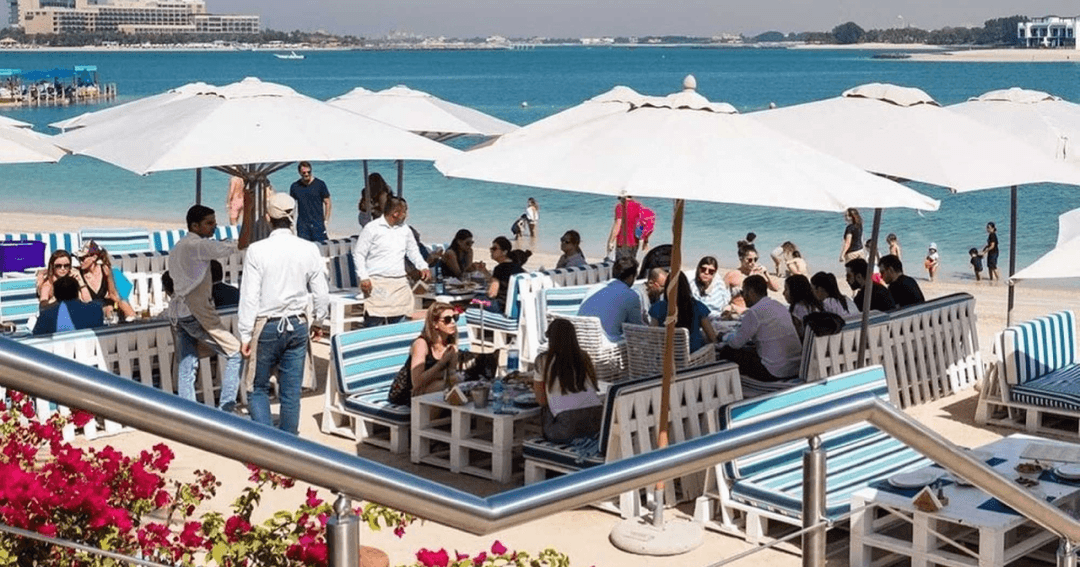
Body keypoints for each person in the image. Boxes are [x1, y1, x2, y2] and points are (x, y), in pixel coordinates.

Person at [239, 192, 329, 435]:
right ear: (293, 217)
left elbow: (249, 296)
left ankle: (266, 442)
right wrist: (319, 319)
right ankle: (288, 441)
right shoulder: (309, 249)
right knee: (291, 391)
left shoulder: (257, 250)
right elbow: (321, 292)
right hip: (297, 323)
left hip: (267, 323)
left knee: (257, 387)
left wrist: (245, 333)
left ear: (268, 218)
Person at [169, 203, 251, 412]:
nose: (214, 226)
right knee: (235, 353)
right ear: (195, 226)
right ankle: (227, 407)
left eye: (214, 222)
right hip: (196, 312)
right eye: (209, 223)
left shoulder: (178, 246)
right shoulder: (199, 246)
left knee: (188, 362)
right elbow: (241, 244)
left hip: (179, 312)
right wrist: (249, 208)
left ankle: (187, 409)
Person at [353, 196, 429, 327]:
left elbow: (413, 251)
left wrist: (422, 266)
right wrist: (364, 276)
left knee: (400, 321)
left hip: (399, 282)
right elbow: (359, 254)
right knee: (374, 320)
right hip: (377, 282)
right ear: (396, 213)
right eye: (405, 211)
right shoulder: (372, 228)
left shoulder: (405, 230)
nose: (406, 215)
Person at [718, 275, 802, 381]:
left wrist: (723, 337)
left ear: (751, 292)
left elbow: (736, 343)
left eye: (744, 292)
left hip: (774, 371)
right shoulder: (779, 305)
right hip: (795, 367)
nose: (742, 297)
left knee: (727, 351)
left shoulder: (754, 312)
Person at [533, 318, 603, 442]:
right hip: (596, 422)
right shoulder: (584, 357)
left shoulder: (543, 360)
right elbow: (594, 385)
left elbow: (541, 400)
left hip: (566, 428)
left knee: (546, 412)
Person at [387, 302, 459, 406]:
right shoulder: (421, 344)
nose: (453, 322)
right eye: (447, 319)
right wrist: (442, 363)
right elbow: (416, 382)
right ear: (435, 324)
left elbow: (451, 375)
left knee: (457, 385)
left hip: (429, 388)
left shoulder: (449, 344)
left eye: (455, 318)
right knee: (441, 387)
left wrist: (452, 362)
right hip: (407, 392)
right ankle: (427, 422)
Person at [576, 256, 642, 342]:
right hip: (606, 344)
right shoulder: (630, 295)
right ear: (631, 277)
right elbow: (636, 330)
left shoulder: (596, 288)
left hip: (581, 340)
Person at [649, 272, 716, 353]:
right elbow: (712, 338)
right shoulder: (697, 306)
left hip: (666, 358)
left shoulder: (658, 308)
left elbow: (652, 337)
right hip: (693, 358)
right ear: (686, 287)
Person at [73, 241, 136, 322]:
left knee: (115, 305)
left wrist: (109, 277)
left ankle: (136, 322)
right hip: (89, 310)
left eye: (82, 258)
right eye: (78, 258)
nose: (80, 261)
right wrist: (80, 280)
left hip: (108, 307)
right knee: (108, 309)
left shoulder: (106, 270)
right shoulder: (78, 274)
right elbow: (86, 302)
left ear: (94, 257)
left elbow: (113, 295)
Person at [32, 276, 104, 335]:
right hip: (92, 349)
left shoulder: (47, 315)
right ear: (77, 292)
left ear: (56, 295)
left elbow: (36, 335)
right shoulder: (96, 309)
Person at [723, 245, 778, 315]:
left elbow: (775, 288)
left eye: (755, 259)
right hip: (738, 311)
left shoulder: (758, 273)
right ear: (741, 259)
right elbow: (721, 294)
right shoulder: (732, 275)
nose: (753, 262)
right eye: (749, 260)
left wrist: (766, 273)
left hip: (756, 311)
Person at [475, 236, 524, 313]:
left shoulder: (499, 268)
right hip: (513, 306)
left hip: (499, 306)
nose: (491, 250)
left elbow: (492, 294)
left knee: (474, 299)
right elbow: (500, 281)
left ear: (504, 252)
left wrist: (487, 290)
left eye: (494, 248)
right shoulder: (518, 268)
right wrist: (484, 271)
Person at [289, 161, 331, 242]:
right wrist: (291, 221)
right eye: (304, 172)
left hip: (318, 223)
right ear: (299, 172)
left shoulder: (320, 184)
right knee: (304, 249)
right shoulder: (295, 186)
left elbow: (327, 202)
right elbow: (291, 205)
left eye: (309, 172)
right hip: (302, 224)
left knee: (321, 248)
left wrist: (326, 220)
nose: (306, 174)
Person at [784, 274, 824, 338]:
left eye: (786, 289)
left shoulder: (797, 308)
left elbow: (796, 333)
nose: (783, 293)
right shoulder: (816, 305)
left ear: (795, 290)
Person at [606, 195, 643, 261]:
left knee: (621, 266)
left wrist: (611, 241)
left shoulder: (620, 206)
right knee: (631, 264)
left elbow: (618, 225)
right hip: (635, 242)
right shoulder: (639, 205)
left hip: (623, 241)